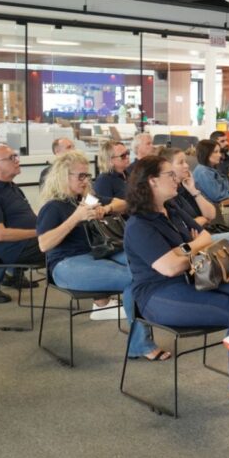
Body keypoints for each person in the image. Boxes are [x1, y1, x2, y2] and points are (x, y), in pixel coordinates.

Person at [123, 156, 229, 408]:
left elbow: (206, 236)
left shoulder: (172, 207)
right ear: (152, 182)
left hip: (195, 276)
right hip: (157, 296)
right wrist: (192, 248)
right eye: (169, 175)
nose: (177, 178)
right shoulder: (139, 225)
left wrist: (183, 249)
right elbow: (170, 267)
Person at [36, 152, 166, 357]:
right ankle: (141, 344)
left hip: (99, 253)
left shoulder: (86, 199)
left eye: (87, 176)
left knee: (145, 270)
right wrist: (76, 218)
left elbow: (124, 203)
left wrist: (104, 209)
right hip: (66, 264)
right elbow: (44, 245)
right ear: (63, 176)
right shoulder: (53, 206)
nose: (86, 180)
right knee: (135, 278)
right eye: (80, 176)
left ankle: (144, 337)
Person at [0, 146, 44, 303]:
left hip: (30, 242)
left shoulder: (12, 186)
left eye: (16, 156)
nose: (17, 160)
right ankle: (100, 299)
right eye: (11, 158)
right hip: (17, 250)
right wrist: (40, 232)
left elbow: (28, 217)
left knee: (77, 235)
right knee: (73, 242)